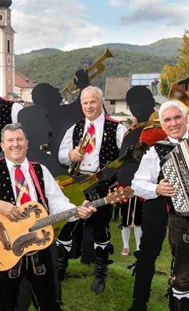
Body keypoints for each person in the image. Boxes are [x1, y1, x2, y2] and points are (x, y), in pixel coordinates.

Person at [0, 123, 96, 310]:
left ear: (27, 143)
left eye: (19, 139)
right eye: (10, 140)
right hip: (5, 248)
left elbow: (58, 203)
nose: (15, 144)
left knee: (49, 303)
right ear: (2, 145)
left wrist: (76, 211)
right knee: (6, 304)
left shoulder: (40, 170)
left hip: (39, 246)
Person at [57, 86, 127, 294]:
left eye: (92, 101)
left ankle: (100, 274)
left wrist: (119, 180)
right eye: (85, 102)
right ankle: (60, 269)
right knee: (67, 226)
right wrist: (70, 154)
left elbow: (126, 158)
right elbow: (61, 154)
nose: (89, 106)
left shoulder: (117, 128)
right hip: (77, 184)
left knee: (101, 229)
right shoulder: (75, 128)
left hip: (102, 185)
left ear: (101, 102)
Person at [131, 101, 189, 311]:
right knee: (156, 260)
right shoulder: (156, 151)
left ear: (186, 119)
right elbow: (137, 184)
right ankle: (140, 303)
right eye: (168, 120)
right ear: (162, 125)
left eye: (177, 118)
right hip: (167, 214)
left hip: (183, 219)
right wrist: (157, 189)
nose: (174, 123)